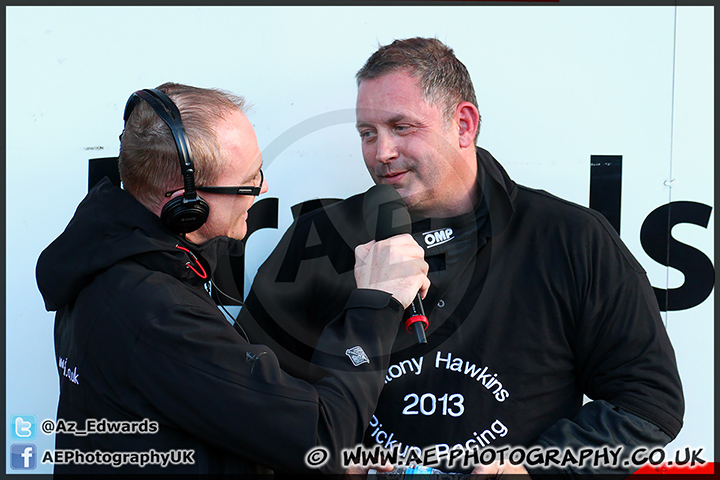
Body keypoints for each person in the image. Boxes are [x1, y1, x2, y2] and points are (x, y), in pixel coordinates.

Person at [238, 38, 684, 477]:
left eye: (402, 127)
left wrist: (536, 470)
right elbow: (250, 391)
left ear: (464, 125)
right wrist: (323, 459)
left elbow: (647, 402)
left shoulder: (570, 238)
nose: (381, 153)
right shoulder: (318, 238)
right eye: (367, 134)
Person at [35, 83, 430, 475]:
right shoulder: (155, 313)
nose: (263, 188)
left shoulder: (111, 257)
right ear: (183, 206)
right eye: (248, 181)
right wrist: (376, 304)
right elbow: (323, 440)